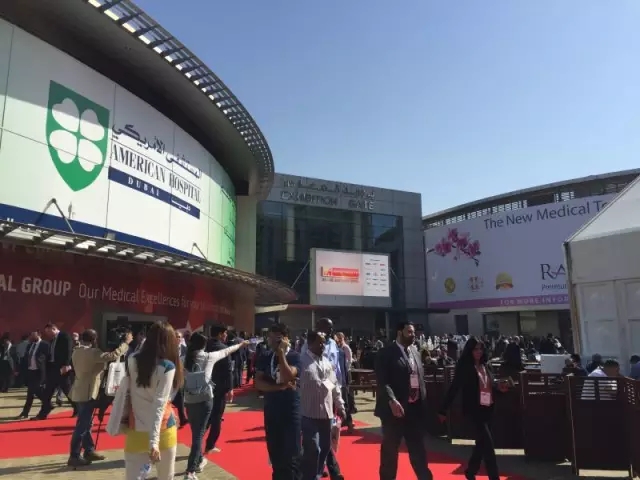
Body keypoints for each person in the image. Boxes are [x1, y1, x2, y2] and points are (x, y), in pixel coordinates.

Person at [439, 336, 509, 480]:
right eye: (475, 349)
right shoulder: (465, 367)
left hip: (488, 409)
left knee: (481, 445)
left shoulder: (486, 365)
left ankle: (470, 471)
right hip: (474, 412)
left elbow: (490, 385)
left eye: (481, 349)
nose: (478, 352)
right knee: (489, 448)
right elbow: (454, 388)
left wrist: (499, 388)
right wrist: (443, 409)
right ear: (470, 350)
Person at [182, 332, 248, 480]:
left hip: (189, 400)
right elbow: (227, 351)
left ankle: (198, 460)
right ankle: (190, 470)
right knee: (198, 435)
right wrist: (241, 345)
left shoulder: (184, 359)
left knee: (196, 432)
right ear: (203, 345)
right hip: (205, 399)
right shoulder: (208, 357)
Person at [124, 321, 184, 480]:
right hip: (163, 431)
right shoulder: (167, 366)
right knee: (166, 477)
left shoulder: (132, 359)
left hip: (136, 429)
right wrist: (154, 442)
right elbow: (159, 404)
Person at [375, 321, 433, 480]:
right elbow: (382, 381)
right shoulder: (386, 353)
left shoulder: (415, 352)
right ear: (399, 333)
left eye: (414, 332)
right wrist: (392, 400)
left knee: (418, 451)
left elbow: (420, 380)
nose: (413, 335)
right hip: (394, 412)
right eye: (410, 332)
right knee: (390, 452)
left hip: (414, 410)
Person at [67, 329, 131, 467]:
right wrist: (125, 344)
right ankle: (74, 455)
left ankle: (89, 450)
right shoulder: (92, 352)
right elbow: (113, 356)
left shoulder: (77, 351)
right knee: (82, 426)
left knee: (87, 423)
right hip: (88, 391)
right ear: (94, 340)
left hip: (79, 390)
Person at [255, 323, 302, 480]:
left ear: (286, 339)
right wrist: (279, 387)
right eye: (270, 338)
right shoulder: (265, 356)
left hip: (290, 411)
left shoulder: (295, 356)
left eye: (277, 339)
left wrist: (281, 353)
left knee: (292, 455)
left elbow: (289, 376)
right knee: (276, 454)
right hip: (271, 410)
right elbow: (258, 383)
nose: (272, 342)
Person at [300, 331, 347, 480]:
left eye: (324, 342)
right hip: (308, 412)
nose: (323, 346)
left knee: (326, 447)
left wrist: (340, 405)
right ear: (310, 343)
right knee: (313, 448)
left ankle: (316, 474)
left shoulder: (327, 362)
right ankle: (309, 476)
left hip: (326, 413)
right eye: (319, 342)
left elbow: (334, 385)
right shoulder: (301, 361)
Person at [204, 323, 235, 454]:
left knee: (206, 416)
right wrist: (230, 388)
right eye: (225, 333)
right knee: (216, 417)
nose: (226, 335)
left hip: (204, 387)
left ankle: (198, 440)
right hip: (219, 388)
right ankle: (210, 445)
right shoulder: (223, 349)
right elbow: (228, 370)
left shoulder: (204, 346)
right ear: (220, 334)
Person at [35, 323, 75, 420]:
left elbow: (68, 350)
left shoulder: (64, 336)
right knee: (47, 392)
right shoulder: (52, 340)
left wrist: (66, 364)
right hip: (52, 369)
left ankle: (78, 408)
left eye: (49, 331)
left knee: (67, 391)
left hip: (62, 368)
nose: (48, 334)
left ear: (54, 329)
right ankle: (44, 412)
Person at [17, 331, 49, 419]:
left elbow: (48, 358)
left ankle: (48, 404)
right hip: (31, 371)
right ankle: (25, 412)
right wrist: (19, 369)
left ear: (39, 335)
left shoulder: (45, 345)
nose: (31, 336)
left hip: (39, 371)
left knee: (36, 390)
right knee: (30, 393)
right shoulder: (30, 345)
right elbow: (25, 358)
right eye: (31, 335)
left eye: (33, 335)